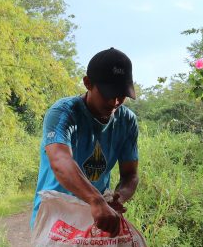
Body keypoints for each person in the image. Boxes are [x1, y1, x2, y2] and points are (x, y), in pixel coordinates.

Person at [32, 48, 139, 237]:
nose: (115, 102)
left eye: (121, 95)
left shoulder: (127, 121)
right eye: (108, 94)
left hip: (96, 219)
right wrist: (96, 200)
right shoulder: (64, 113)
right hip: (55, 219)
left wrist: (117, 199)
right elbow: (60, 161)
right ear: (88, 83)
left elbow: (130, 175)